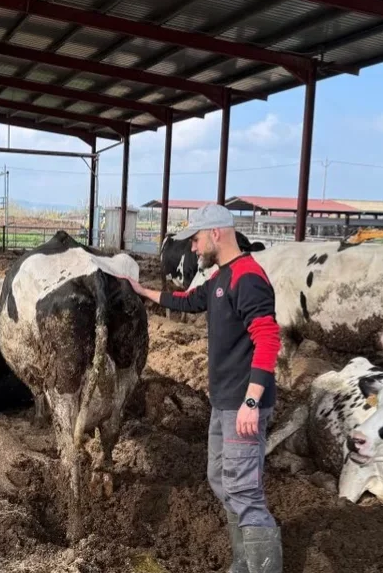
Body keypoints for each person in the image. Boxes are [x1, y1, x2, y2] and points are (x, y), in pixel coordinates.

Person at [125, 204, 283, 573]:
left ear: (215, 234)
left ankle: (261, 567)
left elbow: (268, 340)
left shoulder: (248, 278)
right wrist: (143, 292)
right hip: (224, 401)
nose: (192, 248)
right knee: (219, 478)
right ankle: (243, 563)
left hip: (243, 404)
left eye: (195, 239)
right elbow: (190, 301)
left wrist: (251, 401)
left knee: (244, 490)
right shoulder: (221, 277)